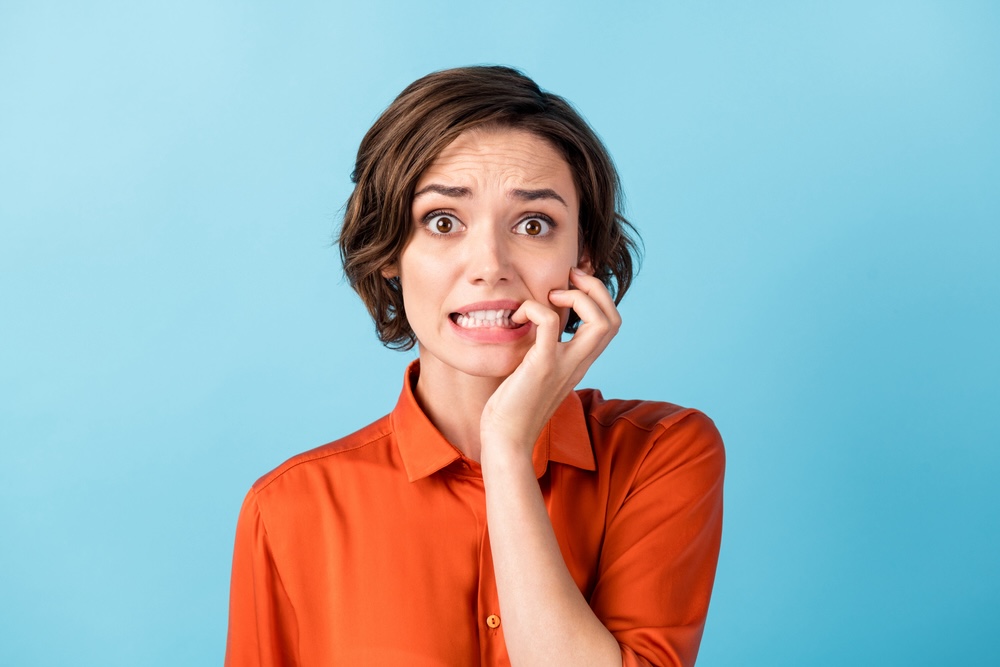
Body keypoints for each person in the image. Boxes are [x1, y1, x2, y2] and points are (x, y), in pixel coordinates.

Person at [225, 65, 724, 667]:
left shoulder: (661, 453)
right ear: (390, 252)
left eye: (534, 225)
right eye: (442, 222)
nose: (490, 264)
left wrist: (507, 447)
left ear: (583, 257)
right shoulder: (290, 508)